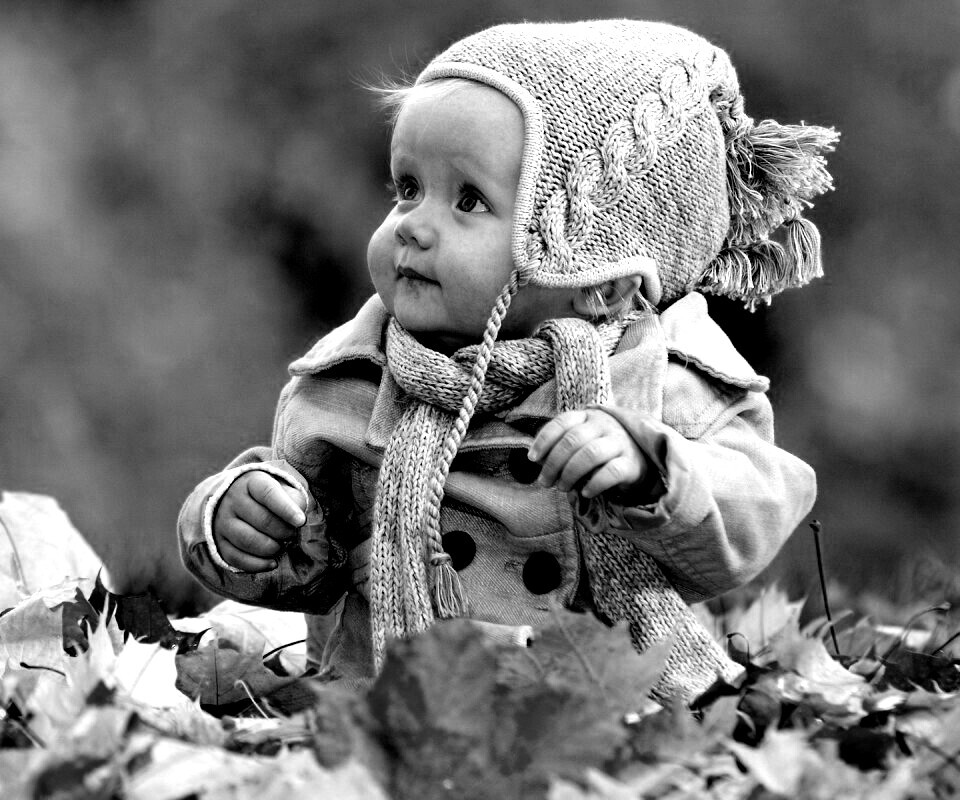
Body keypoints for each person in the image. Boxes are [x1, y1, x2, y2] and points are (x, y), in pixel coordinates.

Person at [178, 19, 837, 702]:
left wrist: (654, 474)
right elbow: (309, 565)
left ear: (601, 279)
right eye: (407, 188)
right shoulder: (354, 377)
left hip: (596, 714)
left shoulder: (658, 381)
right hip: (382, 705)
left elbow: (751, 515)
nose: (412, 225)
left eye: (469, 200)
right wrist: (242, 525)